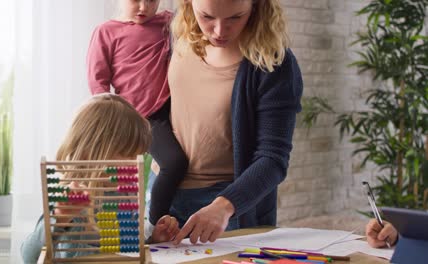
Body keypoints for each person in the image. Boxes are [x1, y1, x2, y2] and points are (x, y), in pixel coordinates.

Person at [166, 0, 303, 245]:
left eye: (234, 18)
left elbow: (273, 159)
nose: (219, 31)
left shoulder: (274, 62)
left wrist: (224, 206)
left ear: (256, 7)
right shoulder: (180, 36)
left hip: (230, 205)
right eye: (207, 16)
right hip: (164, 192)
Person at [21, 94, 180, 263]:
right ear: (91, 151)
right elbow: (29, 256)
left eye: (137, 155)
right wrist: (59, 217)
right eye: (127, 154)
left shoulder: (125, 195)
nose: (135, 164)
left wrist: (153, 241)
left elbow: (129, 251)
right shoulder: (70, 197)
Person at [87, 0, 189, 228]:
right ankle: (141, 227)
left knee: (174, 163)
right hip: (132, 118)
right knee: (120, 183)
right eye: (135, 0)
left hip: (166, 111)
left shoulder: (167, 22)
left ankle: (155, 222)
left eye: (151, 0)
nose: (143, 7)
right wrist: (111, 123)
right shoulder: (106, 32)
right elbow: (98, 82)